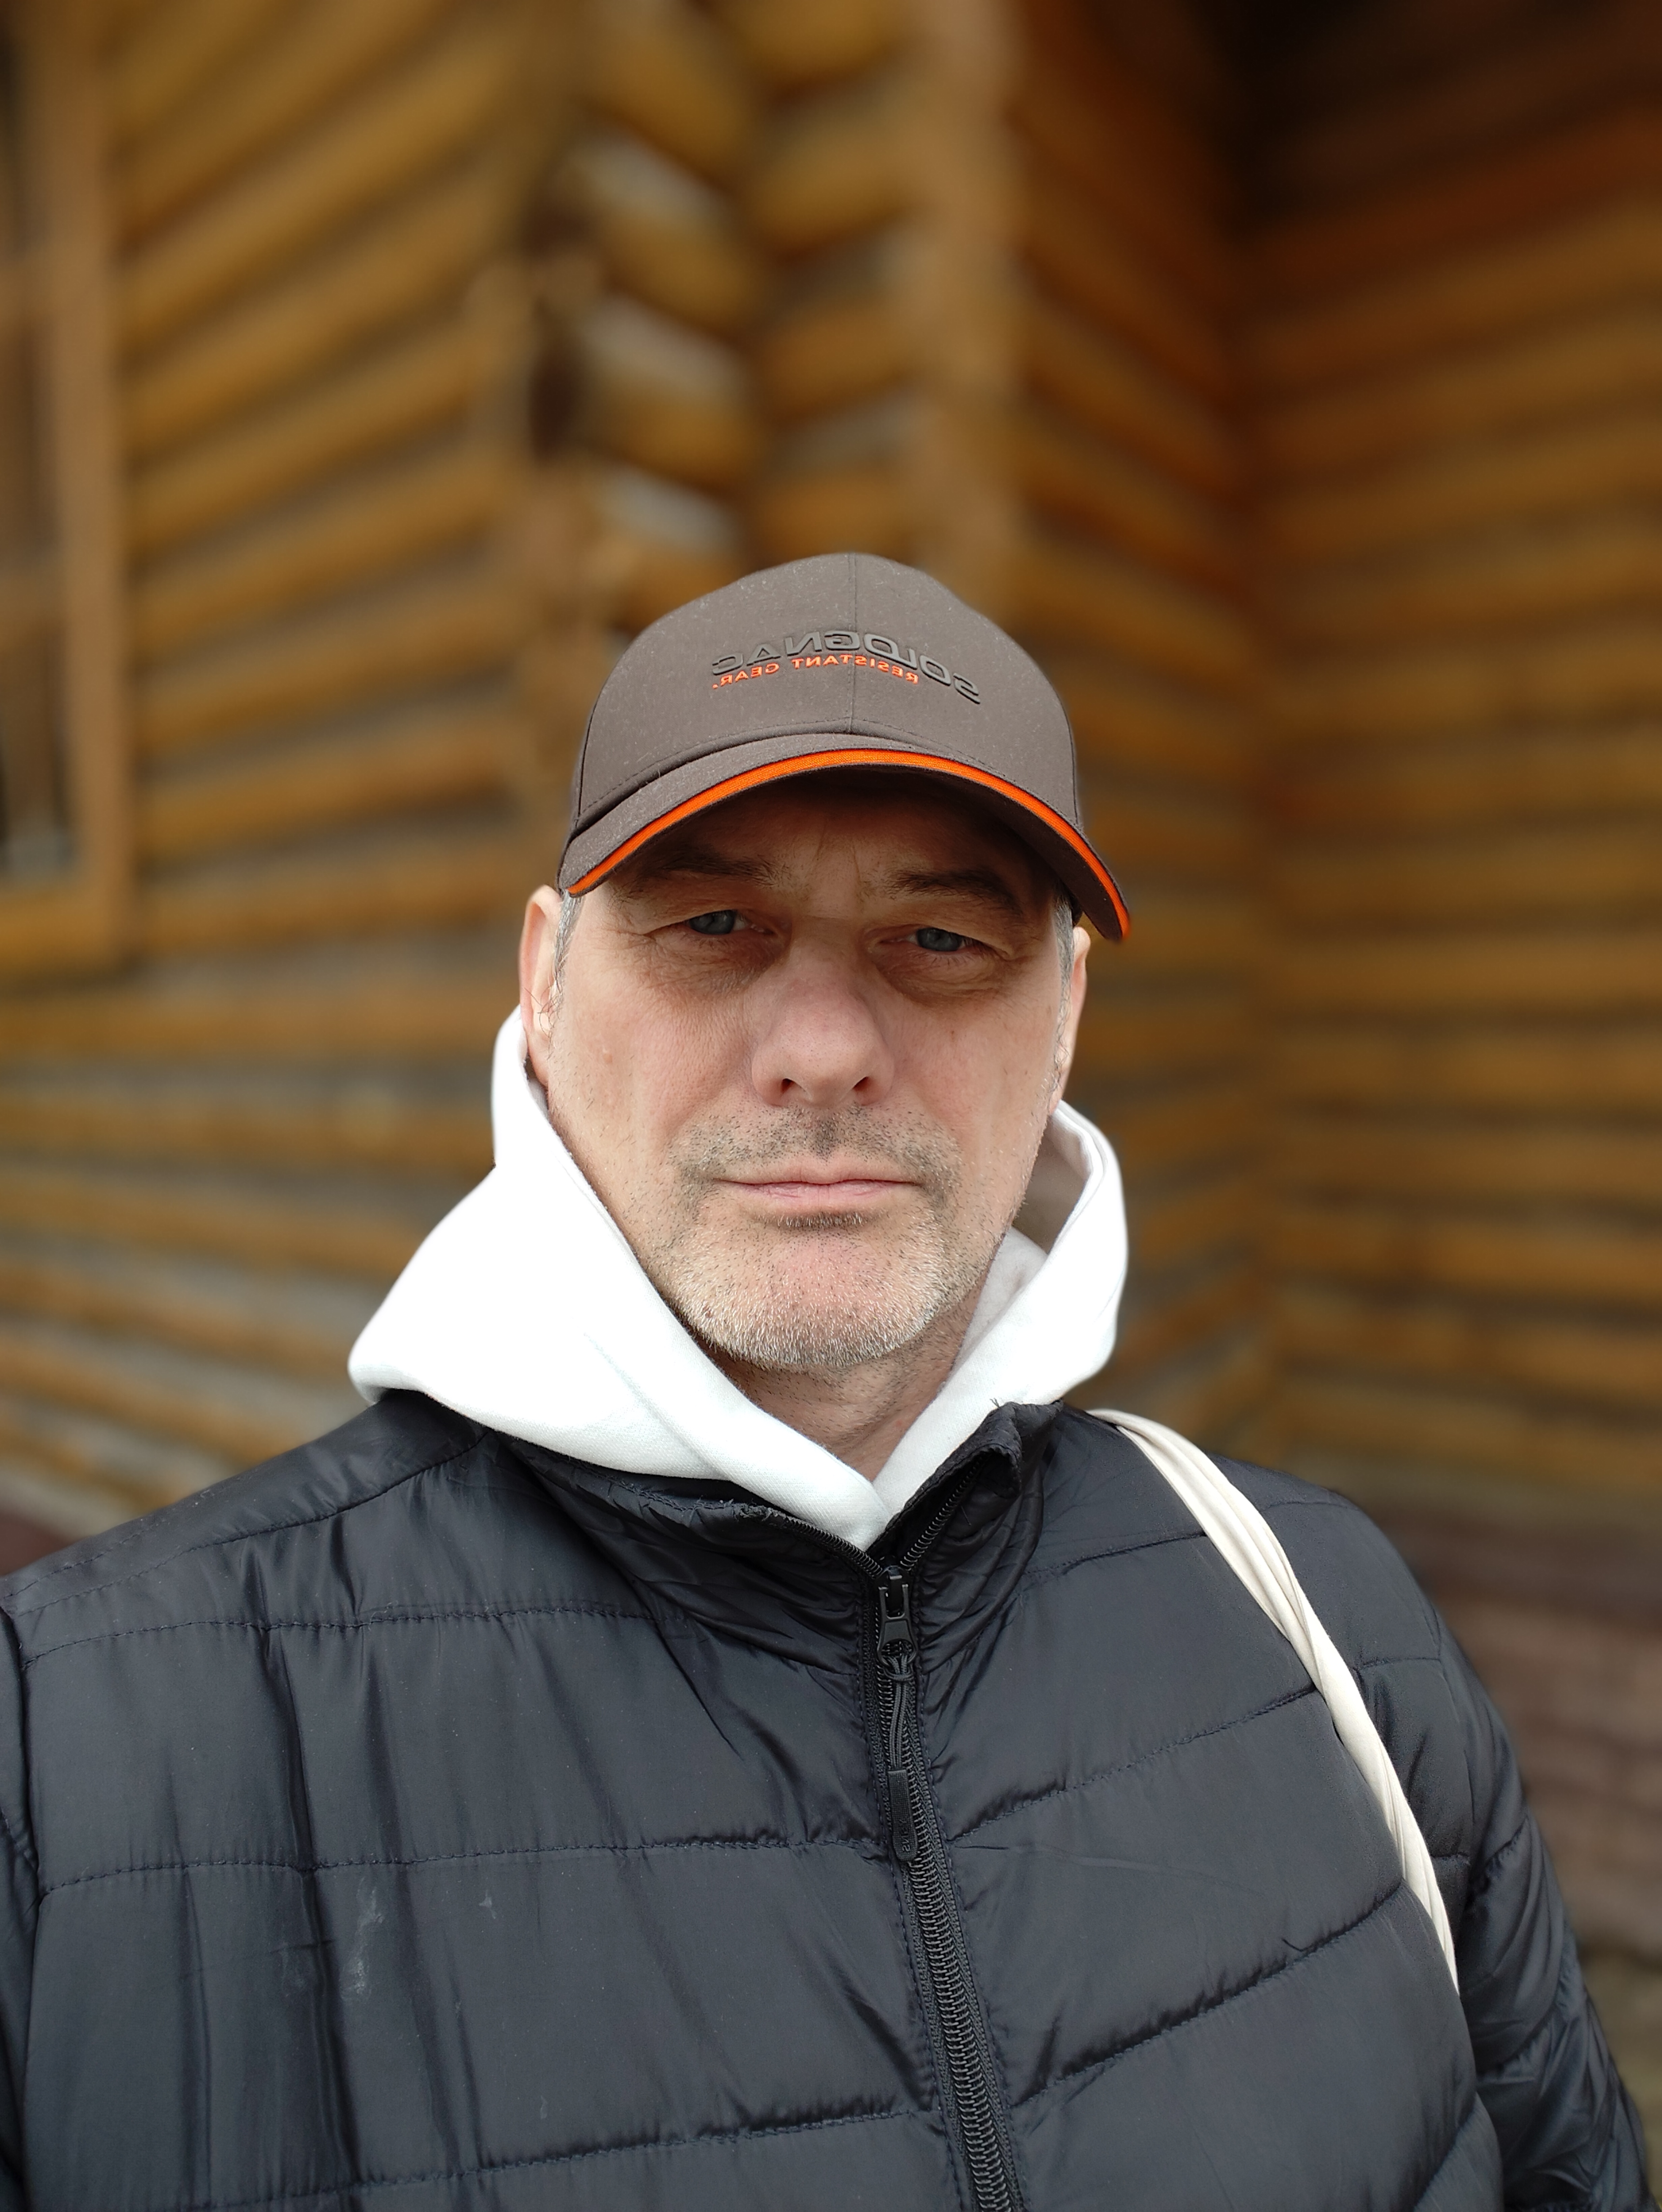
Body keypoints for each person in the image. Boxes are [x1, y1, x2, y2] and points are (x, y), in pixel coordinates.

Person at [0, 553, 1646, 2210]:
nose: (823, 1046)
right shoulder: (75, 1757)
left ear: (1063, 1014)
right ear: (546, 985)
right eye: (716, 924)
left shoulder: (1330, 1626)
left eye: (938, 936)